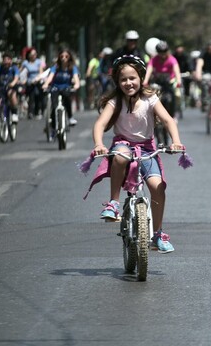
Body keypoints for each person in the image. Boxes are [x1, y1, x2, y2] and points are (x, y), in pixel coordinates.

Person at [90, 54, 184, 253]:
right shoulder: (115, 101)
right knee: (121, 155)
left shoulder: (150, 98)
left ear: (141, 77)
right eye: (123, 79)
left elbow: (168, 120)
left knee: (158, 188)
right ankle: (114, 203)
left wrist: (176, 141)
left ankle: (157, 234)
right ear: (117, 81)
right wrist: (99, 143)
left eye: (132, 78)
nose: (128, 83)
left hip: (147, 148)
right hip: (123, 145)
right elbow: (100, 124)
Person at [42, 49, 80, 128]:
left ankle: (70, 117)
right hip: (55, 87)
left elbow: (76, 78)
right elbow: (50, 77)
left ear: (69, 58)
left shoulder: (72, 68)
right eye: (62, 56)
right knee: (54, 105)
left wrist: (76, 84)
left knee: (67, 100)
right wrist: (46, 84)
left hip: (66, 87)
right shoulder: (56, 67)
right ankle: (53, 124)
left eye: (66, 56)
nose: (64, 58)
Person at [144, 40, 182, 119]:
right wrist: (145, 81)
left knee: (174, 96)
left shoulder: (172, 59)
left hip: (169, 83)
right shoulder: (154, 59)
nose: (162, 54)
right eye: (160, 52)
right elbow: (149, 69)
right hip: (157, 82)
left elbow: (176, 70)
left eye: (164, 51)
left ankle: (173, 115)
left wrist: (179, 81)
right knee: (150, 97)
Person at [21, 47, 44, 119]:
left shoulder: (38, 62)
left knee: (38, 96)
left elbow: (41, 72)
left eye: (35, 54)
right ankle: (30, 112)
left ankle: (37, 111)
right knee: (31, 96)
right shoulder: (26, 63)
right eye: (32, 54)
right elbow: (20, 72)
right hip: (29, 82)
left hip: (37, 81)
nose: (34, 55)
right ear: (29, 55)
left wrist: (38, 79)